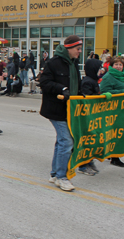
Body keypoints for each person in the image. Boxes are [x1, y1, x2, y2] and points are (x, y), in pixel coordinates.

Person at [40, 35, 82, 192]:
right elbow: (44, 83)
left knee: (61, 141)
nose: (79, 51)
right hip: (56, 109)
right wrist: (62, 89)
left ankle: (54, 173)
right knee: (67, 141)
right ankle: (62, 177)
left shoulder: (73, 63)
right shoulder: (53, 63)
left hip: (70, 110)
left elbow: (77, 84)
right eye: (77, 48)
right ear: (69, 48)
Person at [100, 56, 124, 168]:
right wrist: (120, 92)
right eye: (116, 64)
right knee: (115, 133)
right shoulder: (108, 77)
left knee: (121, 132)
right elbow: (104, 91)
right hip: (113, 111)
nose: (118, 67)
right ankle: (115, 157)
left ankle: (112, 154)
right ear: (112, 66)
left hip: (123, 111)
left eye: (120, 65)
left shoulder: (123, 76)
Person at [77, 58, 103, 176]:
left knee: (93, 141)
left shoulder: (93, 80)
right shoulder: (88, 81)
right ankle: (83, 165)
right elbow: (87, 99)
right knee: (87, 142)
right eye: (99, 69)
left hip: (93, 116)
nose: (101, 71)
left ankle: (89, 161)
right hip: (87, 116)